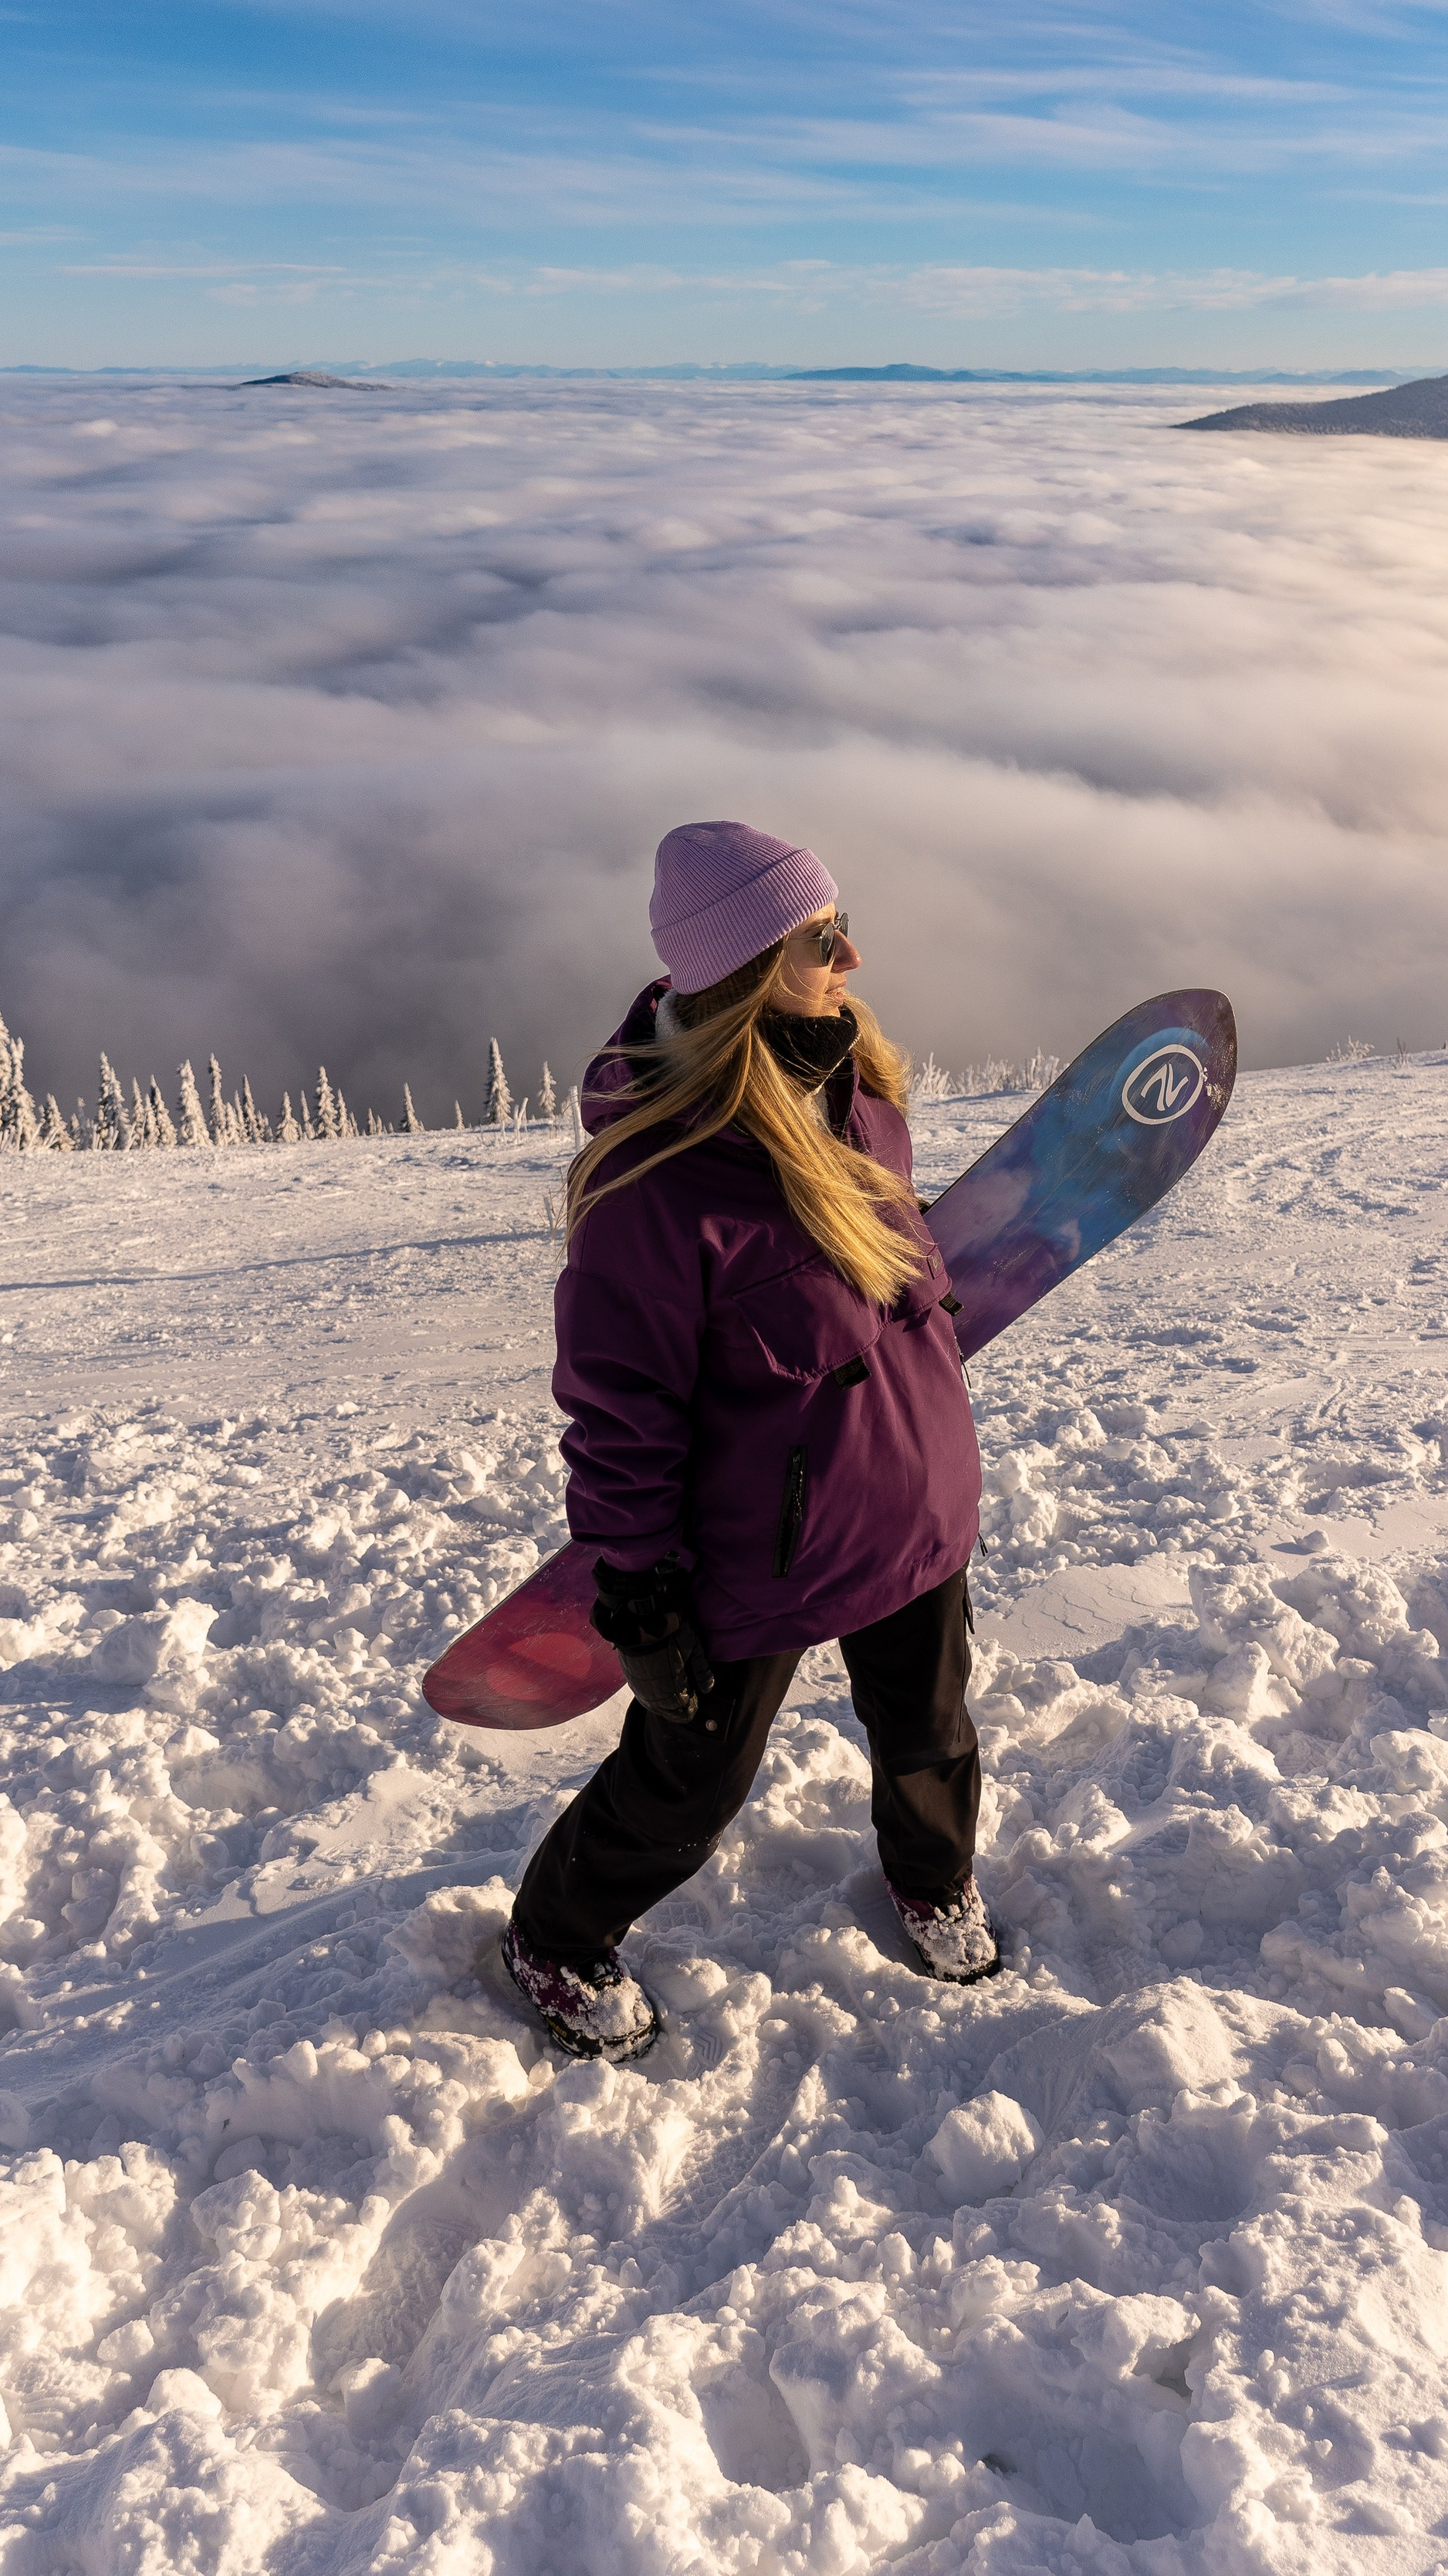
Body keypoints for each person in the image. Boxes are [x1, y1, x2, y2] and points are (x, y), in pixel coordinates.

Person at [501, 819, 995, 2060]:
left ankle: (934, 1879)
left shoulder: (857, 1090)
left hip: (909, 1504)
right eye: (826, 938)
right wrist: (641, 1593)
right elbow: (619, 1411)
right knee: (690, 1787)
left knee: (932, 1728)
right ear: (743, 971)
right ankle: (556, 1936)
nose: (855, 957)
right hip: (753, 1551)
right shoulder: (653, 1188)